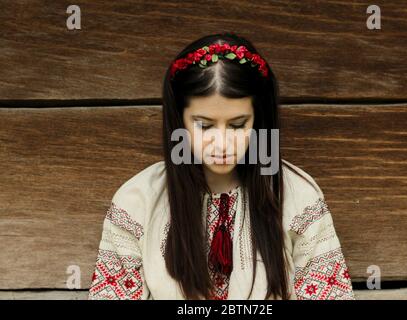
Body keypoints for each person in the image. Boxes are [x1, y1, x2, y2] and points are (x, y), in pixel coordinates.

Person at [88, 32, 355, 300]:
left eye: (238, 125)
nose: (222, 144)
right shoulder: (137, 202)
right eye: (204, 125)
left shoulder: (299, 197)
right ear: (179, 120)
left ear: (258, 121)